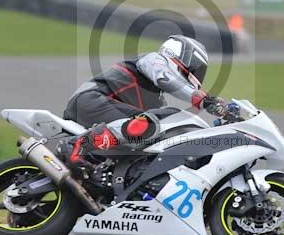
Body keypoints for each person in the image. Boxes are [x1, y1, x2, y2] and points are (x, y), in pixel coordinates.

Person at [61, 35, 226, 167]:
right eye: (198, 68)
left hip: (99, 113)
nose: (198, 74)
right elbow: (165, 78)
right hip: (91, 99)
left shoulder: (157, 102)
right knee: (156, 122)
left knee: (153, 133)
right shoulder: (153, 60)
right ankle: (78, 145)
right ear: (185, 57)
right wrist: (203, 100)